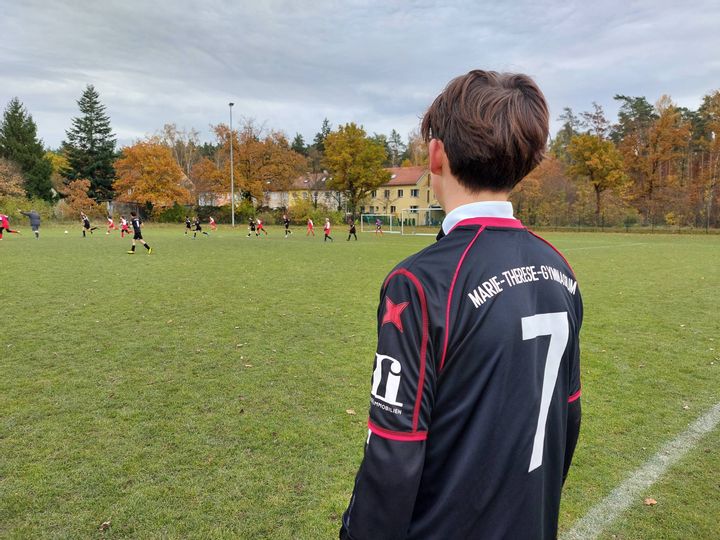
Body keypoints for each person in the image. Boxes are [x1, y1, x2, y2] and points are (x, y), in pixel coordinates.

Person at [340, 70, 582, 540]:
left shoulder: (418, 283)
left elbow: (393, 453)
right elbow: (567, 419)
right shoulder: (559, 268)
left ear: (436, 154)